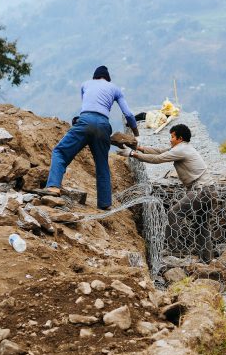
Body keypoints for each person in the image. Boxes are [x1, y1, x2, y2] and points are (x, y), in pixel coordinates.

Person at [43, 65, 139, 210]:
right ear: (108, 79)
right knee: (102, 165)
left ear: (94, 77)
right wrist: (136, 134)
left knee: (60, 152)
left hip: (85, 121)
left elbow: (87, 107)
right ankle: (105, 203)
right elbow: (129, 114)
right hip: (103, 126)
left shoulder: (85, 84)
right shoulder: (114, 88)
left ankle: (53, 187)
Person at [121, 124, 215, 261]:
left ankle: (172, 249)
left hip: (200, 190)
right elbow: (160, 151)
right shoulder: (182, 148)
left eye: (172, 137)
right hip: (209, 191)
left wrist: (132, 154)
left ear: (180, 138)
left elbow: (158, 159)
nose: (170, 139)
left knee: (174, 212)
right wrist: (138, 148)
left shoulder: (181, 150)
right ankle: (208, 259)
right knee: (201, 224)